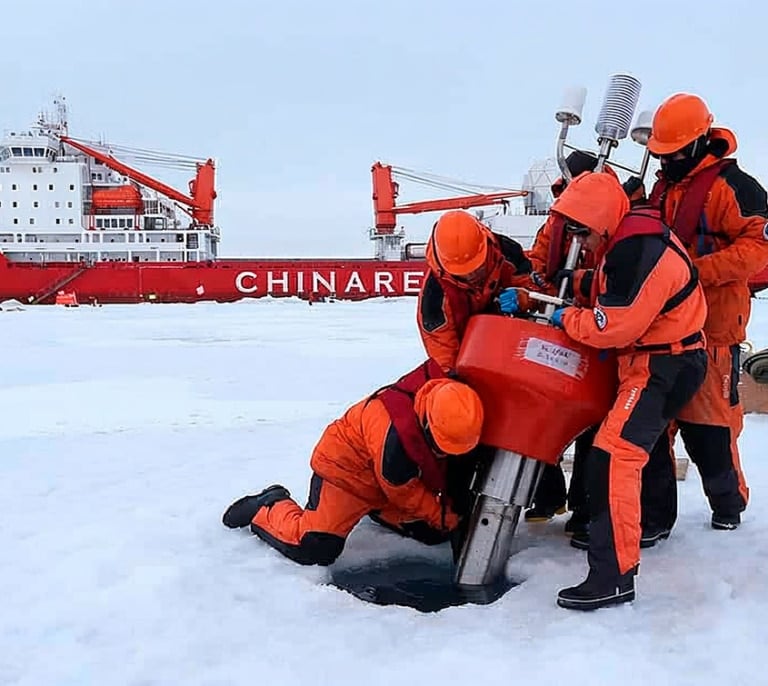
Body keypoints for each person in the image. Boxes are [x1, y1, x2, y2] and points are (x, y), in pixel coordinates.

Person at [533, 170, 708, 610]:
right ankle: (646, 527)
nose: (579, 239)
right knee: (631, 451)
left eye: (580, 228)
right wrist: (560, 294)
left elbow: (611, 325)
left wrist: (564, 319)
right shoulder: (628, 240)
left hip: (661, 365)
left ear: (599, 218)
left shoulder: (635, 248)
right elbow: (614, 290)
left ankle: (612, 578)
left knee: (614, 459)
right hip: (659, 360)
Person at [222, 359, 485, 566]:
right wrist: (445, 517)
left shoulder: (454, 405)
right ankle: (269, 505)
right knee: (315, 547)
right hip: (347, 476)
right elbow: (403, 491)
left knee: (433, 533)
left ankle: (376, 511)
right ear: (427, 423)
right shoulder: (394, 437)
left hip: (385, 483)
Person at [646, 92, 768, 529]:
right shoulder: (660, 188)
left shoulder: (738, 189)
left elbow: (759, 250)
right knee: (652, 429)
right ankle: (654, 518)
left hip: (715, 329)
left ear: (699, 141)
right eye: (661, 153)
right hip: (658, 328)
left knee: (710, 428)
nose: (668, 160)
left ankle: (728, 506)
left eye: (675, 152)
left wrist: (695, 271)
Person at [417, 209, 532, 373]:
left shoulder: (508, 252)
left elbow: (540, 292)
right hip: (469, 353)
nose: (471, 275)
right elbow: (445, 359)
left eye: (476, 267)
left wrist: (524, 298)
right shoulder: (434, 301)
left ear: (484, 246)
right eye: (462, 273)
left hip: (515, 343)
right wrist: (455, 378)